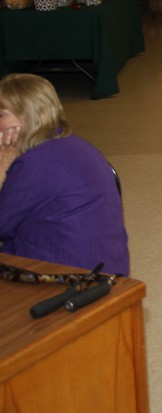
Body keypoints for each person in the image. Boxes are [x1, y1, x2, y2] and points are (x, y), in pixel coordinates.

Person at [0, 74, 130, 275]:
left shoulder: (33, 164)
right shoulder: (74, 143)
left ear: (28, 116)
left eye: (1, 115)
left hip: (70, 278)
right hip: (109, 268)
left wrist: (3, 165)